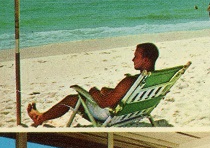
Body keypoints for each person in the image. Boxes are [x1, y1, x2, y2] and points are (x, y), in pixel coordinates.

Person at [26, 43, 160, 127]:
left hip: (110, 116)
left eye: (136, 56)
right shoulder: (156, 79)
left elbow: (103, 103)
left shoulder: (130, 81)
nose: (132, 59)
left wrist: (94, 91)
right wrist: (109, 91)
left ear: (146, 60)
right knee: (105, 90)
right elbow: (123, 95)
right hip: (133, 113)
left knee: (72, 99)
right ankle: (41, 116)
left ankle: (40, 118)